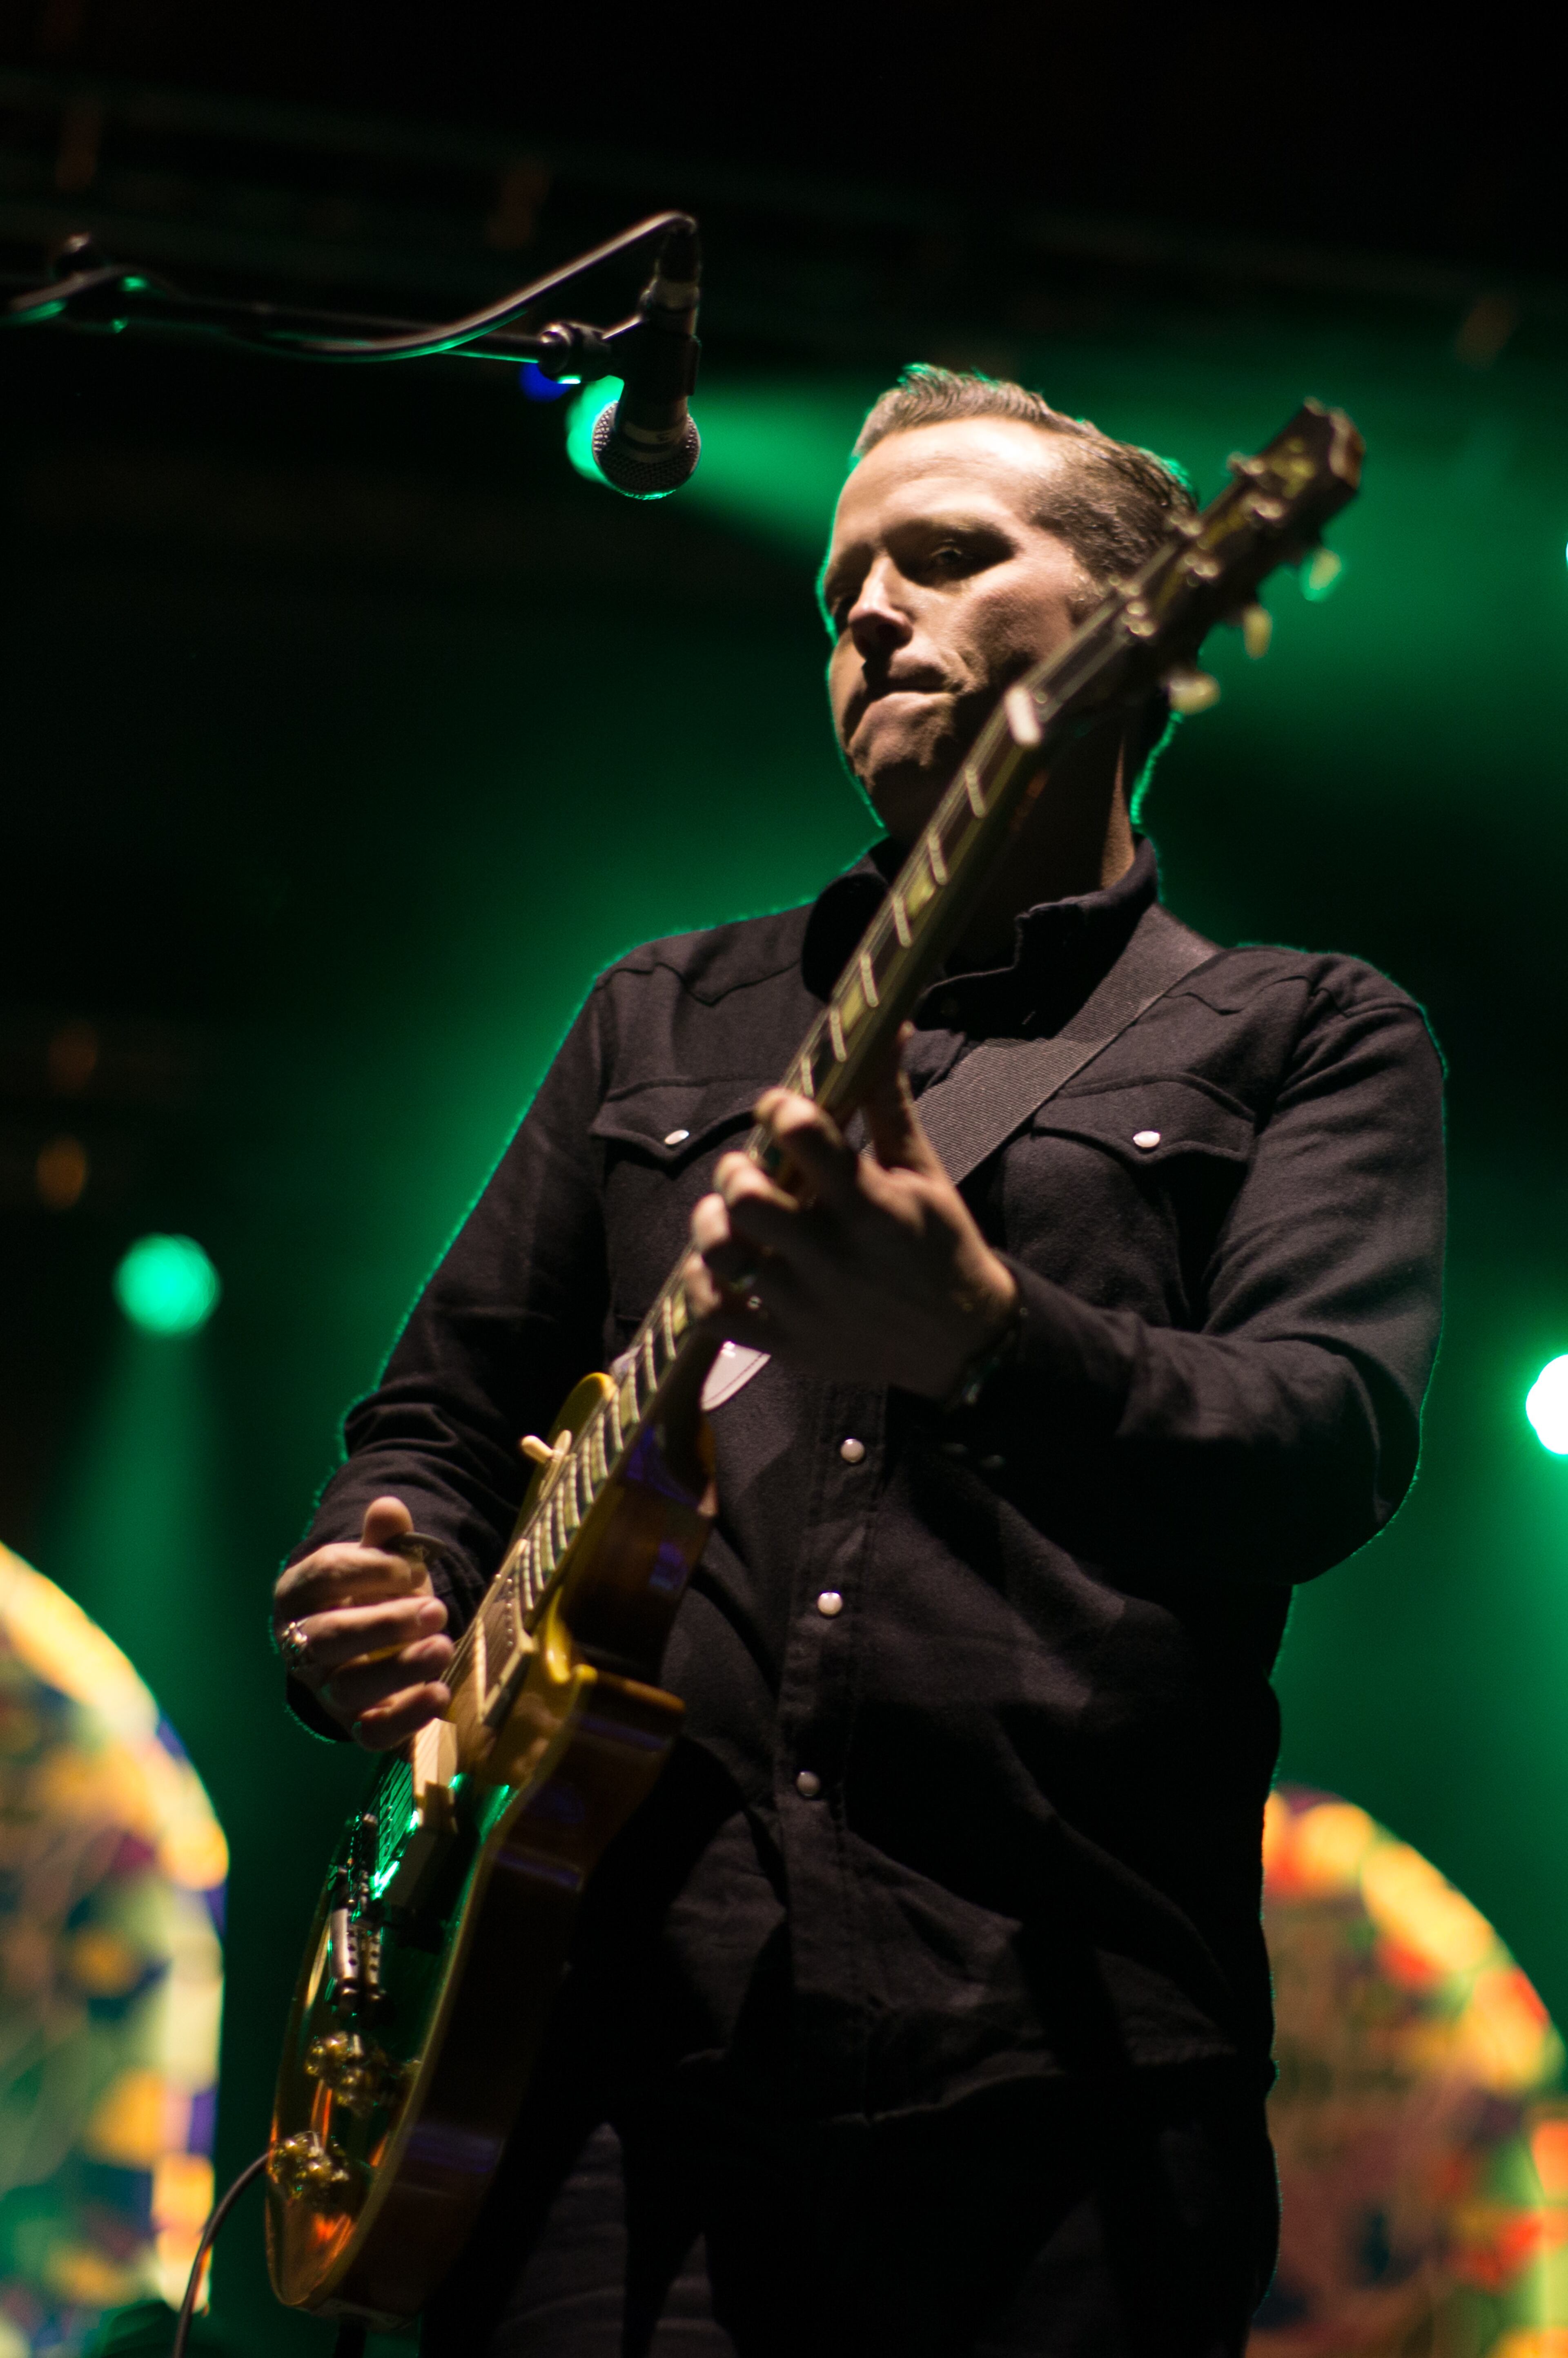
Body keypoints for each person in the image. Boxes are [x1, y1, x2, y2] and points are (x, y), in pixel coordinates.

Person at [271, 368, 1445, 2356]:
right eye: (841, 593)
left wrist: (986, 1343)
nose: (870, 618)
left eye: (947, 556)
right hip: (602, 2076)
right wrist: (386, 1570)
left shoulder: (1305, 1034)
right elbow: (444, 1421)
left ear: (1145, 629)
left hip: (1056, 2075)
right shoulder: (665, 1013)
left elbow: (1321, 1445)